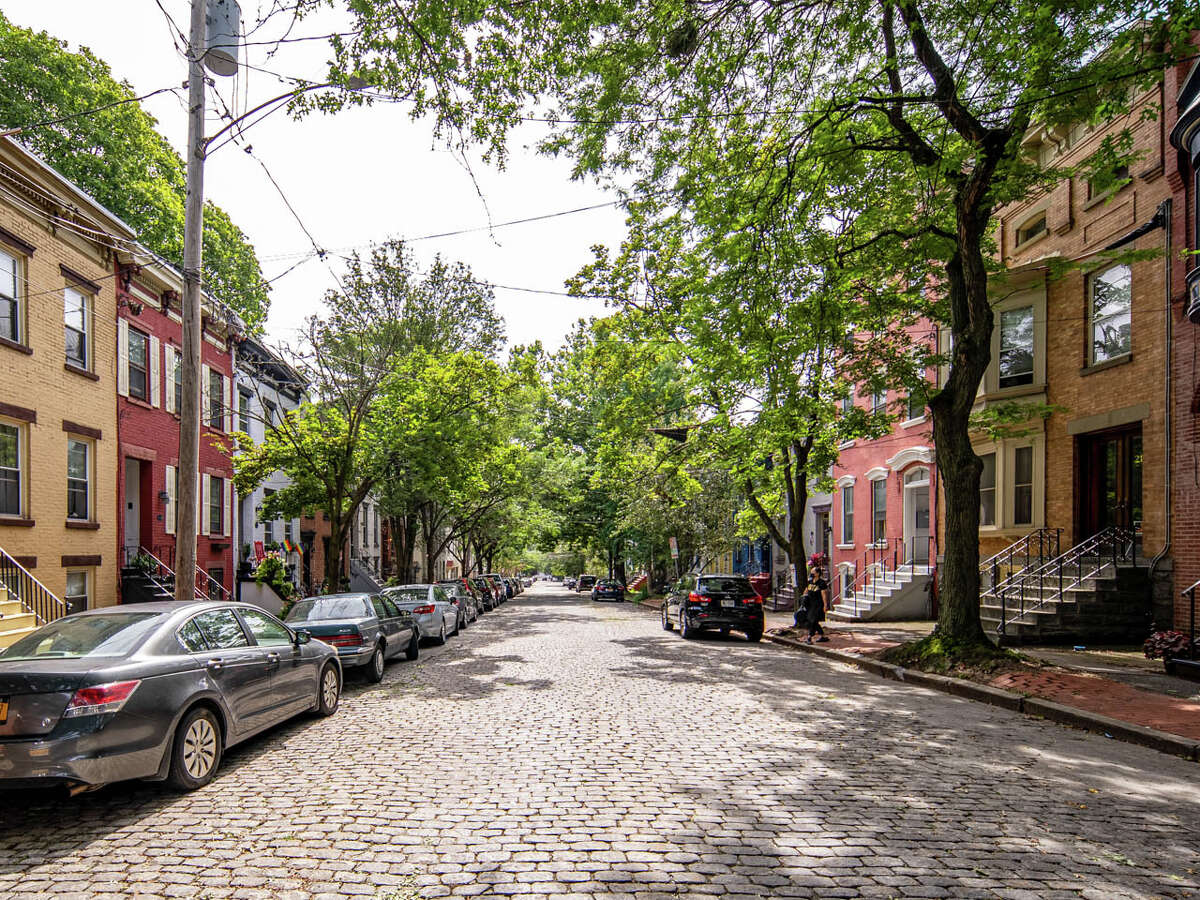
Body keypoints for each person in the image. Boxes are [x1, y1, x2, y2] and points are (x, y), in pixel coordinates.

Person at [797, 564, 830, 643]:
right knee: (811, 620)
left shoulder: (821, 583)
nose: (811, 573)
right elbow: (806, 590)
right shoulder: (810, 581)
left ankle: (809, 637)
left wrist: (825, 605)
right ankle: (822, 635)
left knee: (813, 620)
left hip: (818, 604)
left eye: (813, 572)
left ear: (817, 573)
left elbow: (824, 594)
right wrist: (803, 598)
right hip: (810, 604)